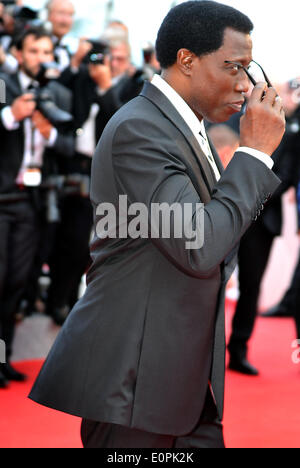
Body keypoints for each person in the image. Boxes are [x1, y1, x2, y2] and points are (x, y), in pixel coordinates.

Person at [29, 1, 285, 448]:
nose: (245, 84)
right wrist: (255, 154)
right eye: (234, 67)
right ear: (187, 60)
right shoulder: (141, 129)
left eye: (250, 68)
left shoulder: (182, 125)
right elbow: (201, 245)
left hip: (176, 378)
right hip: (134, 382)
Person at [0, 26, 73, 388]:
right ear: (18, 52)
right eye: (34, 51)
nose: (41, 59)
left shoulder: (56, 92)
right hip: (1, 198)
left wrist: (50, 133)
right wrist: (12, 114)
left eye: (47, 52)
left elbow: (71, 144)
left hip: (31, 201)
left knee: (17, 283)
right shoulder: (2, 83)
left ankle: (5, 358)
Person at [228, 99, 300, 375]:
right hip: (221, 209)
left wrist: (253, 196)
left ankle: (238, 349)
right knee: (208, 280)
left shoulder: (286, 129)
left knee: (251, 286)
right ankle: (201, 348)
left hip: (261, 218)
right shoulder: (227, 116)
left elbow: (287, 175)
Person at [47, 0, 75, 72]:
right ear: (48, 15)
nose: (65, 20)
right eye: (61, 13)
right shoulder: (38, 45)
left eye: (70, 15)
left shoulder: (68, 50)